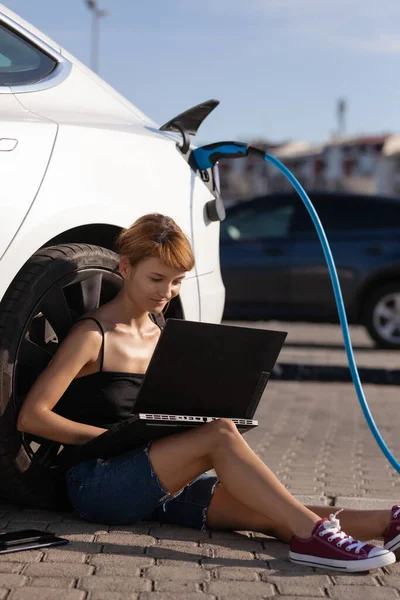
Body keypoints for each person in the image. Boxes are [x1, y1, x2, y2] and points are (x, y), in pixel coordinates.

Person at [17, 213, 400, 573]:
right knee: (219, 433)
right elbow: (33, 416)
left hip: (158, 475)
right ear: (126, 268)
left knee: (270, 513)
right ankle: (315, 539)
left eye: (177, 280)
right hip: (97, 483)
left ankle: (388, 523)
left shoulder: (164, 336)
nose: (166, 292)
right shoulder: (92, 335)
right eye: (156, 278)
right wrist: (110, 438)